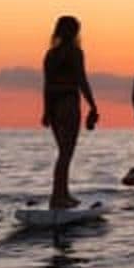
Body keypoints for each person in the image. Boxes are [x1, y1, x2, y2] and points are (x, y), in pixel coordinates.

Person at [42, 16, 98, 209]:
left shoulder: (50, 54)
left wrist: (46, 111)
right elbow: (82, 80)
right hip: (68, 102)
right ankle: (58, 197)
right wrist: (93, 105)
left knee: (62, 152)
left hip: (54, 103)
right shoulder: (75, 53)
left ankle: (62, 193)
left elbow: (47, 85)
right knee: (67, 152)